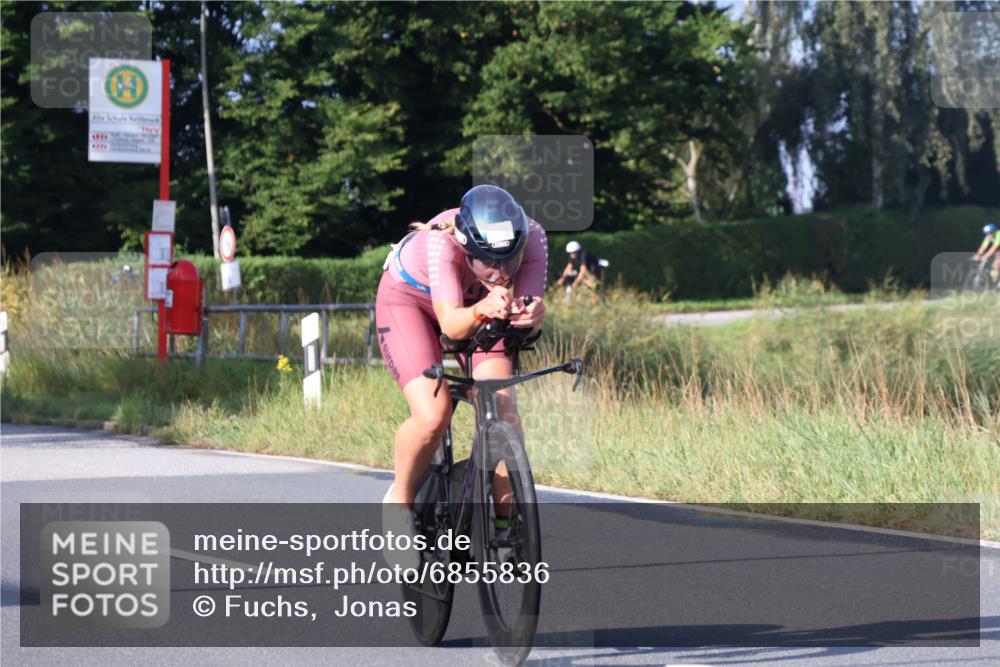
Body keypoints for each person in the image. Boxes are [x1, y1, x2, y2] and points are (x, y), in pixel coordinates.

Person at [375, 184, 548, 564]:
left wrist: (533, 316)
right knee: (433, 415)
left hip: (479, 306)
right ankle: (399, 504)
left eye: (510, 261)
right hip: (410, 302)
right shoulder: (443, 243)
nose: (500, 273)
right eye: (488, 263)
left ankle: (507, 528)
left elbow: (528, 317)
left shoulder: (533, 236)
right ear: (468, 249)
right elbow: (452, 326)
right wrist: (483, 308)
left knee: (503, 411)